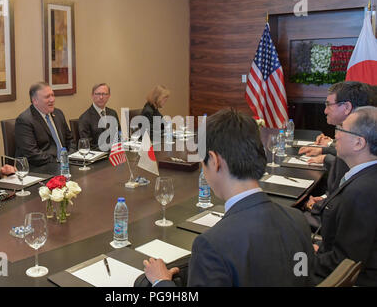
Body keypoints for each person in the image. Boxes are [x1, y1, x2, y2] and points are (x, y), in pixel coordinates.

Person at [144, 109, 315, 287]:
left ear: (214, 160)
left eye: (203, 163)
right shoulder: (298, 220)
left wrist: (161, 282)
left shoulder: (212, 246)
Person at [312, 106, 377, 286]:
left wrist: (303, 258)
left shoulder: (363, 192)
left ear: (359, 143)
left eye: (341, 129)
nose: (336, 136)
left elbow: (344, 263)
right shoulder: (366, 176)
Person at [299, 81, 372, 214]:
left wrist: (313, 207)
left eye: (328, 105)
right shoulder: (359, 137)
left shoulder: (355, 149)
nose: (325, 110)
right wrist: (325, 198)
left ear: (346, 107)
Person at [15, 82, 75, 167]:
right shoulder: (24, 121)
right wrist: (59, 160)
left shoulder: (58, 113)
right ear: (35, 101)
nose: (52, 99)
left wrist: (70, 156)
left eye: (53, 95)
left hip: (66, 164)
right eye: (47, 97)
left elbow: (70, 140)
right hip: (42, 168)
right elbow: (32, 154)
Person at [78, 83, 119, 150]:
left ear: (109, 96)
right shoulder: (84, 118)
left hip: (115, 153)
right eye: (98, 94)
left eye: (104, 94)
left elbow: (118, 135)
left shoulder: (113, 113)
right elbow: (88, 145)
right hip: (98, 155)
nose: (101, 97)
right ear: (92, 95)